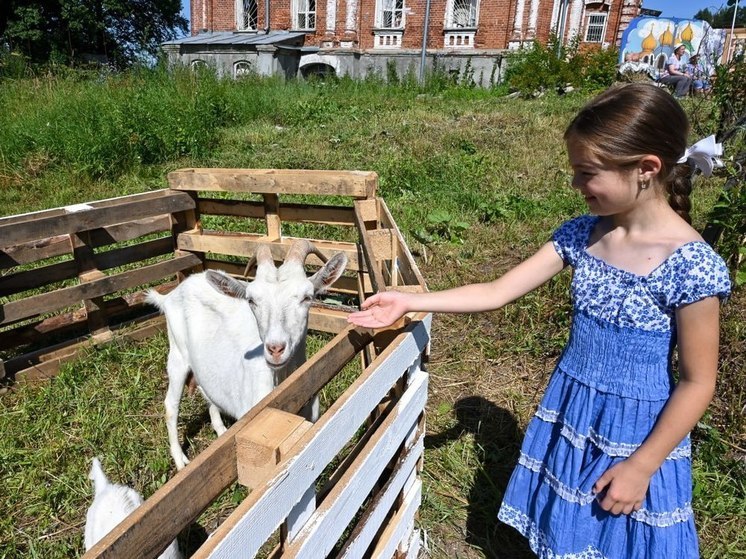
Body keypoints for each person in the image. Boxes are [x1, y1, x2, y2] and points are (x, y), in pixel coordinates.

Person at [347, 82, 731, 558]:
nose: (575, 186)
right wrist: (411, 302)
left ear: (646, 169)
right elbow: (496, 292)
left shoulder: (693, 266)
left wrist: (642, 466)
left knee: (624, 532)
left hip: (640, 431)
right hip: (574, 405)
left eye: (586, 173)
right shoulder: (582, 234)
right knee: (572, 521)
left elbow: (698, 382)